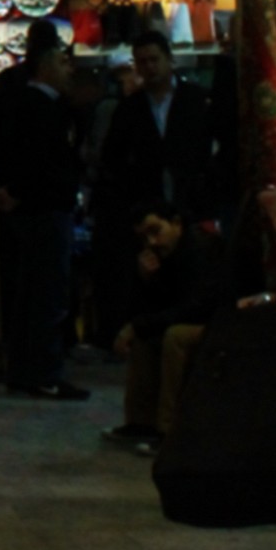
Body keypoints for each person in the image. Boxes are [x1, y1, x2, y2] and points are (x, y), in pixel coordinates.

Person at [93, 33, 215, 347]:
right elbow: (113, 158)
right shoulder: (130, 108)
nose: (149, 67)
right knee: (153, 270)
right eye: (142, 62)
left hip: (191, 200)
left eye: (154, 60)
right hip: (148, 201)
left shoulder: (195, 100)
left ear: (168, 60)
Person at [0, 34, 88, 400]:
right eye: (63, 62)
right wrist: (20, 191)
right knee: (47, 295)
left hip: (36, 208)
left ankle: (24, 371)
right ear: (46, 65)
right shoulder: (39, 108)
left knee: (31, 294)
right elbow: (37, 161)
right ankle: (44, 371)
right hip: (45, 210)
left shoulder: (35, 105)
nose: (69, 69)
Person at [104, 201, 229, 453]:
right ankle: (141, 422)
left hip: (221, 322)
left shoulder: (201, 249)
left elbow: (198, 306)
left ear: (176, 223)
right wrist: (146, 280)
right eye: (144, 237)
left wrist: (139, 324)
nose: (151, 242)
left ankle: (169, 430)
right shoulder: (164, 254)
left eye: (156, 231)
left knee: (175, 336)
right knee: (145, 336)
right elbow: (149, 309)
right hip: (191, 318)